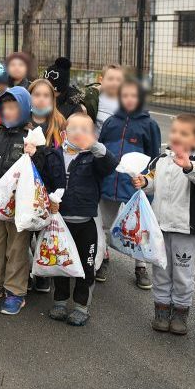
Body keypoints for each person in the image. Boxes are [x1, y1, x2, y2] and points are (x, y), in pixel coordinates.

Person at [131, 113, 195, 335]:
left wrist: (189, 167)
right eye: (174, 131)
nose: (177, 136)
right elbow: (151, 180)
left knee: (182, 273)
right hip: (160, 227)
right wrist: (144, 182)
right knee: (161, 269)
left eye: (184, 133)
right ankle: (161, 310)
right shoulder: (161, 159)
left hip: (184, 229)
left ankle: (180, 312)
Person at [0, 86, 60, 315]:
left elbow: (41, 172)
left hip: (19, 208)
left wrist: (36, 153)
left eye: (13, 107)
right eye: (5, 107)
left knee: (17, 249)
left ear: (23, 109)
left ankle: (15, 291)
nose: (8, 111)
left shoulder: (32, 136)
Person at [37, 113, 116, 327]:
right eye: (74, 129)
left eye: (85, 130)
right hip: (60, 223)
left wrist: (95, 146)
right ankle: (60, 301)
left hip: (85, 223)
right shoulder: (54, 156)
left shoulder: (93, 157)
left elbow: (110, 164)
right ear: (63, 134)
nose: (79, 133)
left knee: (85, 265)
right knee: (61, 262)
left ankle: (82, 305)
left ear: (93, 135)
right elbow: (43, 183)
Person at [97, 79, 162, 289]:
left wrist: (147, 184)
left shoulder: (149, 125)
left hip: (134, 186)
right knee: (104, 224)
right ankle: (103, 258)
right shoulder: (111, 122)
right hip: (109, 183)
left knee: (138, 227)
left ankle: (140, 266)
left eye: (134, 96)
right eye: (125, 95)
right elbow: (102, 151)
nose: (130, 99)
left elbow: (154, 158)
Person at [28, 78, 66, 148]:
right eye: (37, 95)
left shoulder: (60, 122)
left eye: (46, 95)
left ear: (52, 100)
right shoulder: (21, 121)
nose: (41, 99)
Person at [95, 64, 124, 134]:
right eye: (110, 79)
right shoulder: (94, 98)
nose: (115, 83)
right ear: (101, 80)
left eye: (119, 80)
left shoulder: (126, 103)